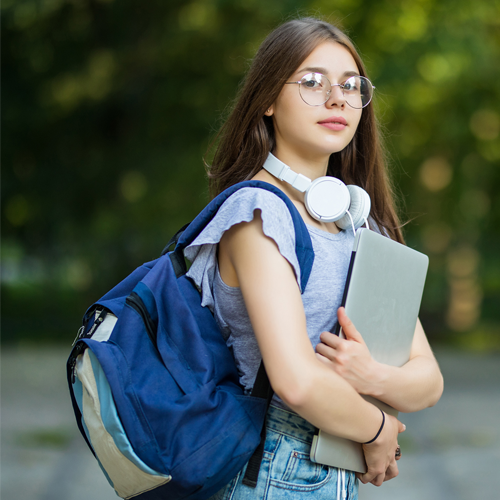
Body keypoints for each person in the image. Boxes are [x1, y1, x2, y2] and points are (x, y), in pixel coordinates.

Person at [183, 17, 444, 500]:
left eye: (351, 85)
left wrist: (372, 377)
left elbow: (428, 380)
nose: (337, 98)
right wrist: (378, 427)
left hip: (335, 469)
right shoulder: (257, 212)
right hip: (267, 468)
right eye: (311, 82)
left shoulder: (360, 223)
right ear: (266, 99)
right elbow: (296, 381)